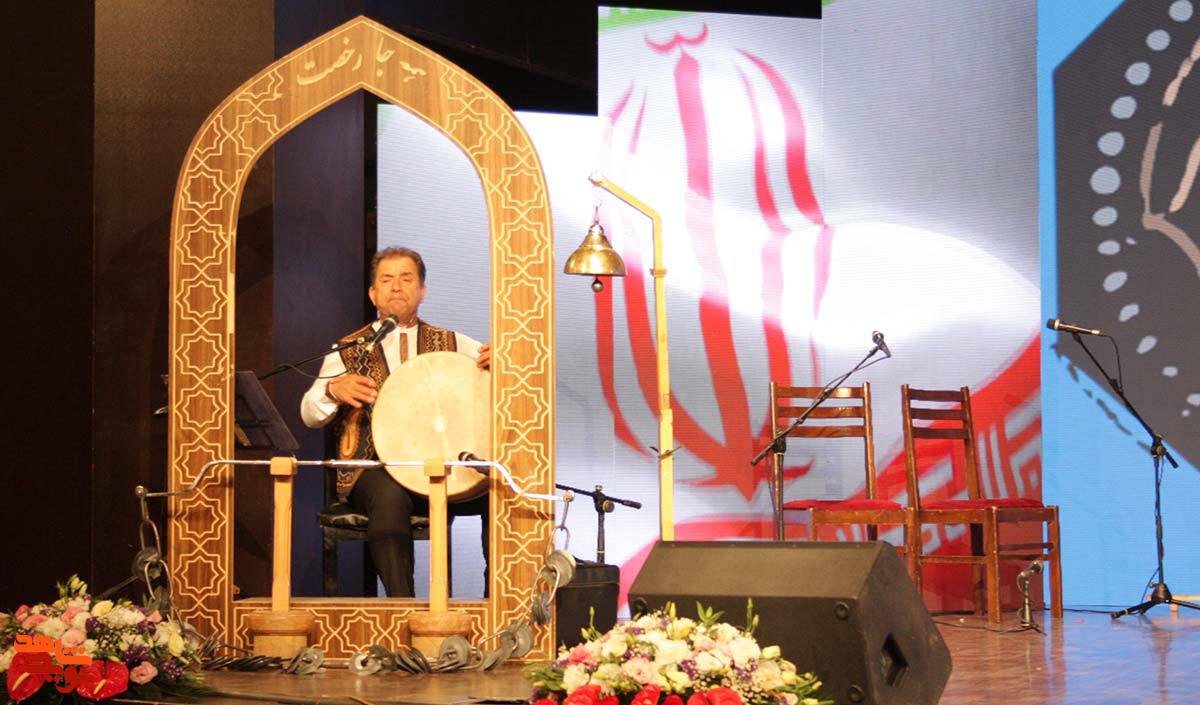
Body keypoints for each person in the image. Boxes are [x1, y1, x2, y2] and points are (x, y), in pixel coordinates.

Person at [301, 246, 491, 597]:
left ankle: (501, 603)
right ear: (373, 293)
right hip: (376, 470)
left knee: (501, 493)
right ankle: (404, 612)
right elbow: (309, 413)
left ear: (422, 290)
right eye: (386, 280)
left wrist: (502, 362)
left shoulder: (453, 343)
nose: (397, 287)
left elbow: (497, 376)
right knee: (389, 498)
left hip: (445, 469)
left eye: (406, 278)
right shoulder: (347, 349)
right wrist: (332, 390)